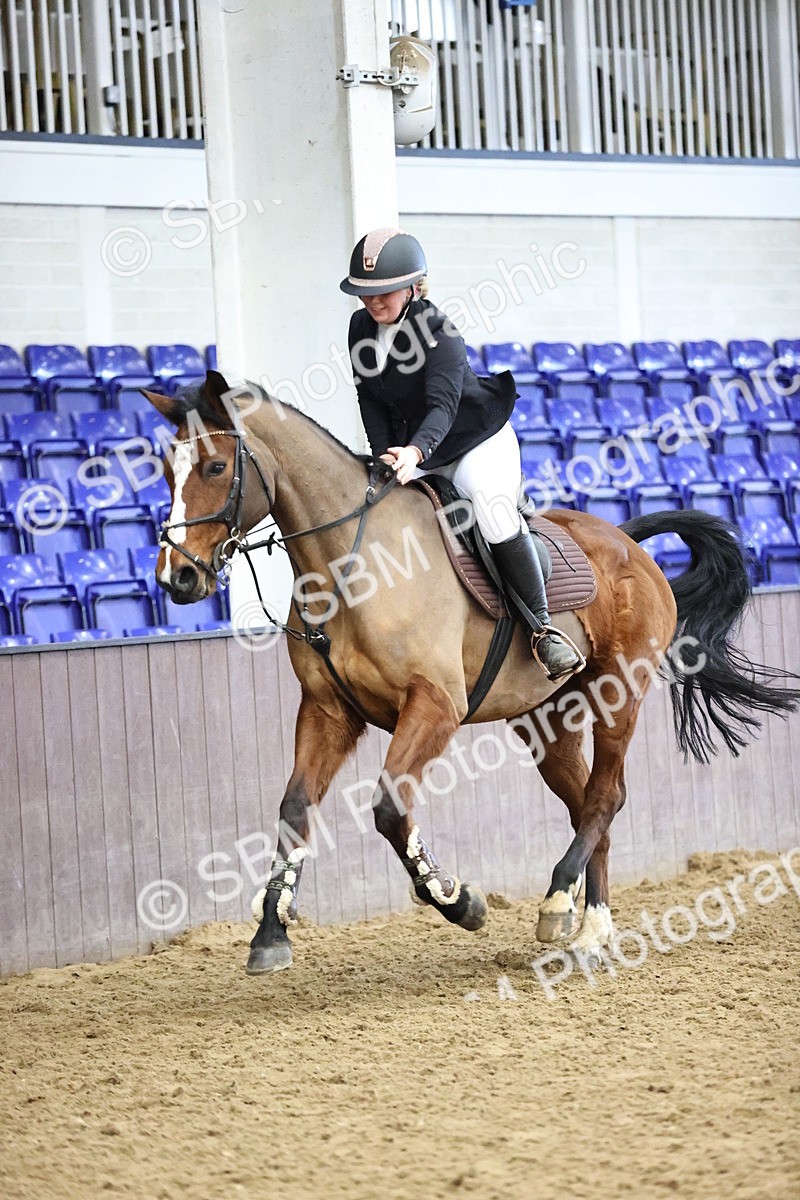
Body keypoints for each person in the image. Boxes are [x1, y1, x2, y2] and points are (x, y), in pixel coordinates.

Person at [341, 227, 582, 682]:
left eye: (384, 292)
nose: (374, 303)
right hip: (417, 450)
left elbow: (443, 406)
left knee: (490, 511)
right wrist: (382, 457)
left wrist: (414, 452)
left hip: (474, 440)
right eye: (365, 294)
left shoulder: (440, 332)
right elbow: (369, 399)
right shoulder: (359, 329)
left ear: (414, 286)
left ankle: (543, 630)